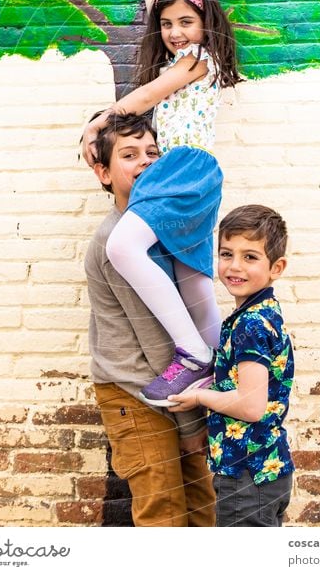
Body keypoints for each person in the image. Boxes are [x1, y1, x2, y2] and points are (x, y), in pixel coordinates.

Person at [82, 0, 241, 405]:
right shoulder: (181, 52)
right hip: (184, 173)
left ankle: (191, 353)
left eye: (186, 23)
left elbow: (148, 96)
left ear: (205, 25)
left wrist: (99, 123)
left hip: (184, 169)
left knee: (124, 245)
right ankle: (223, 370)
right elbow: (158, 7)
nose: (174, 32)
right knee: (191, 279)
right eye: (168, 25)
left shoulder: (196, 60)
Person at [85, 111, 216, 527]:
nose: (145, 161)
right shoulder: (117, 242)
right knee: (165, 516)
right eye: (129, 154)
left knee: (203, 506)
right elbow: (158, 340)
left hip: (176, 389)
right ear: (103, 174)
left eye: (152, 152)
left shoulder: (162, 230)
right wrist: (192, 421)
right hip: (136, 391)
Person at [169, 205, 295, 528]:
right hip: (264, 471)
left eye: (250, 257)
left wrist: (199, 398)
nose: (234, 266)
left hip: (247, 478)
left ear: (276, 267)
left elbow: (250, 405)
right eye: (227, 254)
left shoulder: (250, 324)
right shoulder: (262, 312)